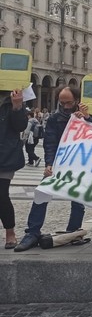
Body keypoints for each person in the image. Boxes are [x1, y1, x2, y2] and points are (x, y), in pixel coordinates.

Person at [15, 87, 87, 252]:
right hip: (59, 163)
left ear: (76, 100)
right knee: (41, 193)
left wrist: (86, 120)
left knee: (77, 199)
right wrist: (49, 164)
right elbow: (50, 142)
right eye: (62, 102)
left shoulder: (86, 116)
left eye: (69, 102)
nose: (66, 106)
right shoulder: (55, 118)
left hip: (79, 165)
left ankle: (73, 231)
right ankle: (32, 233)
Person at [0, 89, 28, 249]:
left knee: (2, 194)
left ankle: (10, 232)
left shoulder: (12, 97)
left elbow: (20, 126)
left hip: (5, 154)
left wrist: (17, 107)